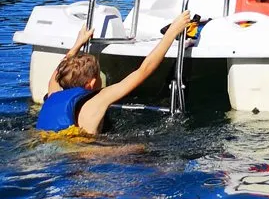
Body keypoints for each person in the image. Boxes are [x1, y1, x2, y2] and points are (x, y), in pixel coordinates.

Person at [35, 14, 191, 136]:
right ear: (91, 83)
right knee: (138, 149)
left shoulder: (53, 93)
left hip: (47, 143)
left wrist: (78, 43)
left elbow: (58, 72)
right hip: (82, 155)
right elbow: (144, 70)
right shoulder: (99, 99)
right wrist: (172, 32)